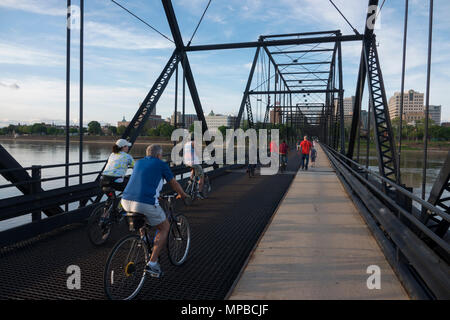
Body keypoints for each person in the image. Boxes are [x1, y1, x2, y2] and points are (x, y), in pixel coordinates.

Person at [121, 144, 188, 278]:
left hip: (125, 200)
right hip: (144, 202)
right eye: (161, 155)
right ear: (158, 155)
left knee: (143, 220)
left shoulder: (139, 162)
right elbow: (173, 183)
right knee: (164, 227)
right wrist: (183, 194)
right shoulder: (161, 164)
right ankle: (152, 264)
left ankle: (144, 239)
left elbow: (143, 180)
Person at [184, 133, 205, 198]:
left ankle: (191, 180)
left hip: (186, 162)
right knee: (201, 176)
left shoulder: (186, 144)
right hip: (193, 163)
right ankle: (199, 192)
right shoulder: (194, 143)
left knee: (193, 169)